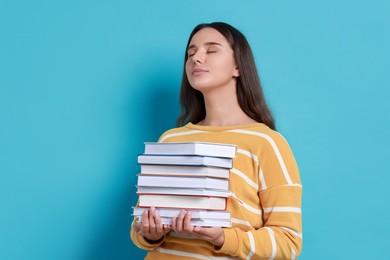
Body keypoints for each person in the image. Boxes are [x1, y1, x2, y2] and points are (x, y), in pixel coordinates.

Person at [130, 22, 302, 259]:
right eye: (191, 53)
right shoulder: (170, 139)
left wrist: (223, 238)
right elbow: (140, 228)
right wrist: (149, 233)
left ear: (238, 67)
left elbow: (288, 242)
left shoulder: (267, 143)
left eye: (211, 50)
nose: (196, 59)